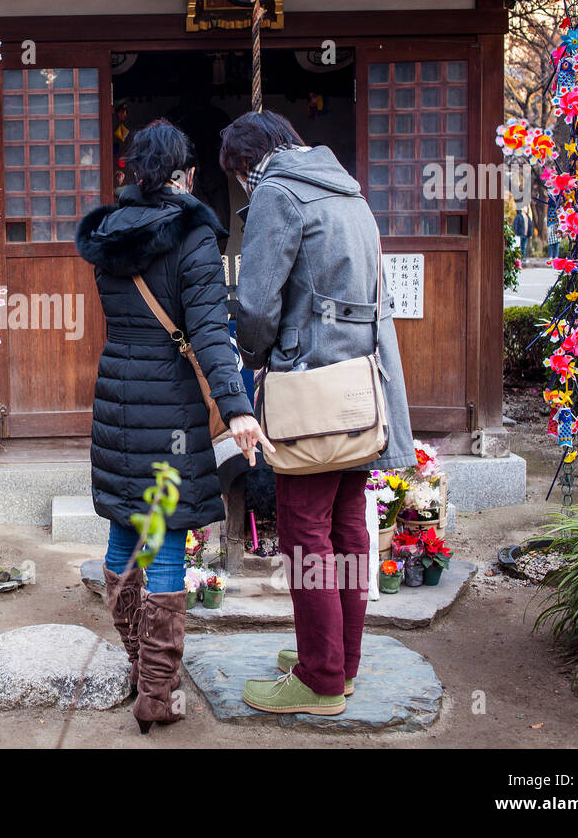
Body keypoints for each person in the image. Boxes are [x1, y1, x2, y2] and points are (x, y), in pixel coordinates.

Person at [76, 119, 272, 734]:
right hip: (172, 407)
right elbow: (213, 334)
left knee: (123, 531)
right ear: (184, 172)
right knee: (162, 541)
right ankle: (157, 693)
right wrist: (238, 407)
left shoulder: (109, 234)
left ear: (133, 171)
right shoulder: (193, 235)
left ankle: (141, 665)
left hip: (116, 400)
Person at [220, 110, 414, 716]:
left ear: (249, 164)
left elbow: (255, 305)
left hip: (309, 392)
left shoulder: (277, 192)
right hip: (361, 384)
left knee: (305, 531)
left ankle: (321, 676)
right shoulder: (347, 188)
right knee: (348, 526)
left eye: (238, 174)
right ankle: (341, 662)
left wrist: (253, 358)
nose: (243, 184)